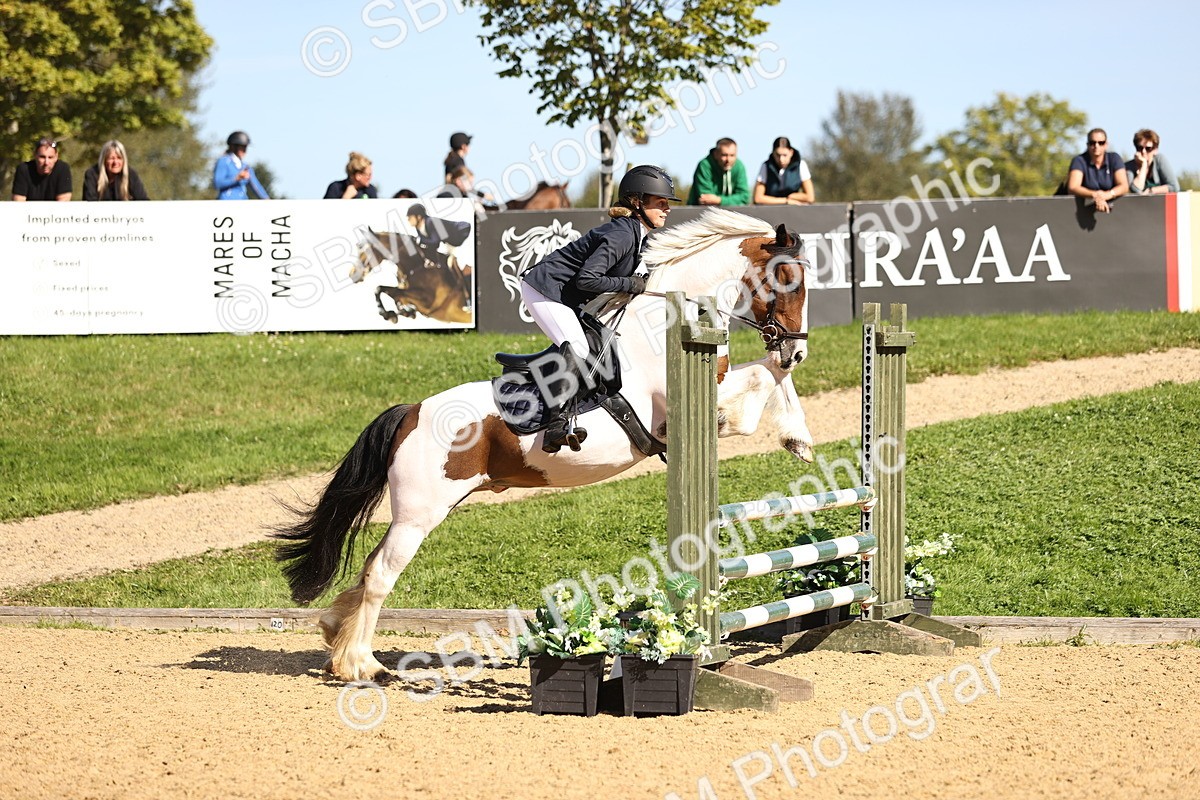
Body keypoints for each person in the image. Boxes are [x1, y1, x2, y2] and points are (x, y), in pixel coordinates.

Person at [520, 165, 680, 452]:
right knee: (578, 347)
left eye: (667, 203)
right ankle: (555, 426)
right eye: (660, 203)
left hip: (563, 295)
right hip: (544, 289)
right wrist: (629, 284)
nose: (667, 209)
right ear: (637, 202)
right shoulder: (622, 235)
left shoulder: (637, 234)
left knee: (597, 345)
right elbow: (587, 279)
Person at [1066, 128, 1128, 213]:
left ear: (1106, 144)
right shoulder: (1079, 160)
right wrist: (1095, 195)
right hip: (1082, 212)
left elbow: (1124, 186)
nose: (1096, 146)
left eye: (1101, 143)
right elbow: (1073, 187)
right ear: (1087, 145)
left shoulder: (1114, 158)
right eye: (1092, 143)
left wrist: (1108, 194)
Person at [686, 137, 750, 206]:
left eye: (732, 155)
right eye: (724, 155)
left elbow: (745, 197)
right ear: (716, 154)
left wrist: (719, 200)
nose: (728, 160)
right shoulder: (705, 165)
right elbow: (706, 198)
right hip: (700, 210)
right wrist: (733, 200)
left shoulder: (739, 166)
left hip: (731, 211)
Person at [753, 136, 814, 205]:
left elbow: (810, 197)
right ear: (773, 153)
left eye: (785, 155)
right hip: (770, 209)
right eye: (778, 155)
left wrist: (792, 197)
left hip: (794, 209)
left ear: (791, 152)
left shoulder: (801, 165)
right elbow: (758, 198)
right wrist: (786, 201)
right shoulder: (766, 166)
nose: (781, 159)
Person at [82, 140, 149, 201]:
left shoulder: (131, 174)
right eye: (111, 158)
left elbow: (143, 201)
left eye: (119, 158)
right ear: (104, 160)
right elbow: (90, 202)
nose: (115, 162)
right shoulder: (92, 174)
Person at [213, 131, 269, 200]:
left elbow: (257, 187)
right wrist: (236, 178)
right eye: (242, 147)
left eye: (245, 147)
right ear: (233, 147)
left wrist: (268, 200)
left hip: (242, 202)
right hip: (226, 202)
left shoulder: (245, 166)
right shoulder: (224, 162)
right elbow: (218, 183)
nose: (244, 151)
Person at [1125, 128, 1178, 195]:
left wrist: (1152, 191)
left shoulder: (1159, 160)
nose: (1143, 151)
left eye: (1148, 149)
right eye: (1140, 148)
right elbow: (1135, 190)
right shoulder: (1128, 167)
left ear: (1155, 150)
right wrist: (1144, 165)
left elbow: (1174, 187)